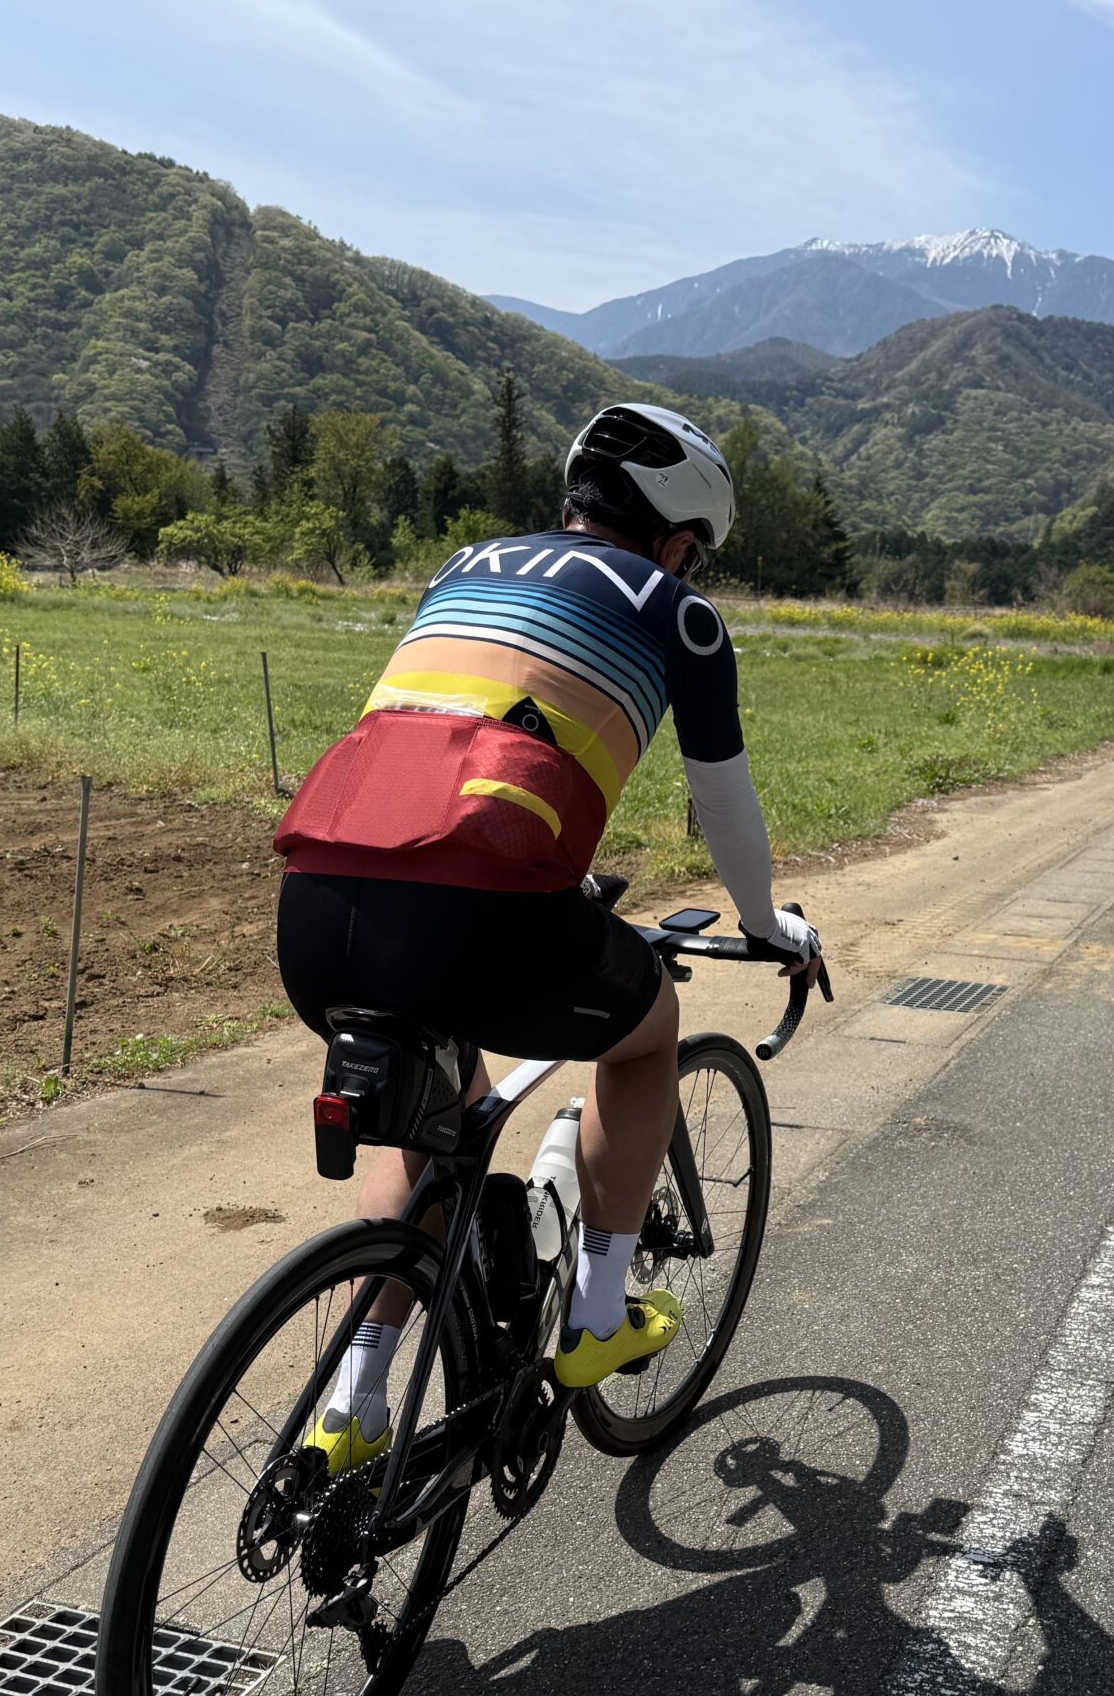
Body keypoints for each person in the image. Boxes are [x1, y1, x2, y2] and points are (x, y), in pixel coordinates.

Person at [271, 403, 825, 1472]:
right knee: (647, 1032)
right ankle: (602, 1313)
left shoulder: (462, 564)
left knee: (430, 1115)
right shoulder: (680, 611)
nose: (691, 569)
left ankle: (357, 1397)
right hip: (487, 914)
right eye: (694, 553)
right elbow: (728, 811)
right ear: (676, 540)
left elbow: (451, 747)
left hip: (319, 905)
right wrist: (768, 925)